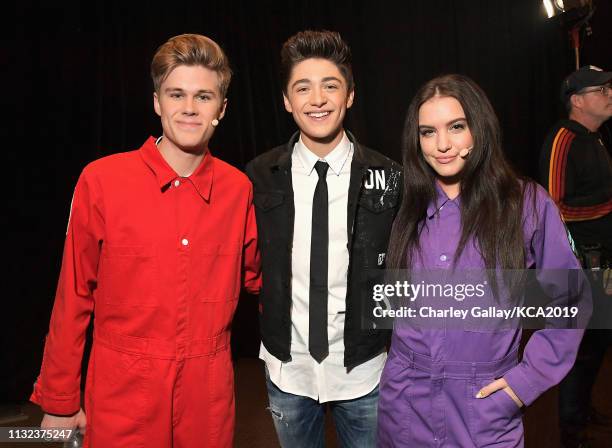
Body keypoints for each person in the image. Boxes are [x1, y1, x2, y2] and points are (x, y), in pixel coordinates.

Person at [30, 34, 261, 447]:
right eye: (176, 94)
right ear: (157, 102)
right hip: (122, 393)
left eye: (204, 96)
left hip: (206, 394)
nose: (189, 108)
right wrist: (60, 400)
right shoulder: (101, 180)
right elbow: (74, 292)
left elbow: (264, 282)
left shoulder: (238, 189)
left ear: (221, 110)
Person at [377, 74, 588, 447]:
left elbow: (572, 299)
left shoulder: (527, 204)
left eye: (456, 127)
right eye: (428, 132)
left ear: (480, 127)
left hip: (484, 406)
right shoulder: (404, 204)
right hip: (406, 405)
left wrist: (525, 382)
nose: (442, 145)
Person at [246, 30, 401, 447]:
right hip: (287, 368)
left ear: (349, 95)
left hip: (366, 369)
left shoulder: (388, 176)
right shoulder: (258, 176)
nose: (317, 99)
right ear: (286, 101)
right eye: (303, 88)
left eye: (330, 86)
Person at [539, 65, 612, 448]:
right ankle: (570, 430)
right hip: (579, 267)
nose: (609, 93)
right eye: (601, 89)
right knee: (579, 348)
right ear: (577, 100)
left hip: (603, 265)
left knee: (600, 340)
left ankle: (582, 410)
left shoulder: (596, 139)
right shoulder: (564, 137)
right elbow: (552, 206)